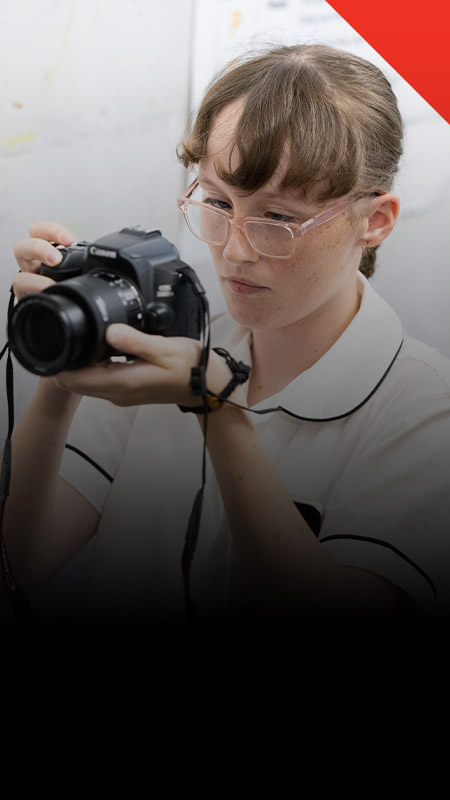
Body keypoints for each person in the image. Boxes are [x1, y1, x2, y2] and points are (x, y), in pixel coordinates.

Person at [2, 43, 450, 624]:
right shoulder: (167, 346)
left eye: (278, 219)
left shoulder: (422, 409)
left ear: (374, 221)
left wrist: (216, 408)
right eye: (217, 201)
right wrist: (60, 374)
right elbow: (27, 557)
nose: (234, 251)